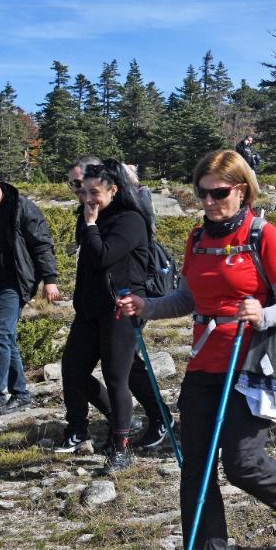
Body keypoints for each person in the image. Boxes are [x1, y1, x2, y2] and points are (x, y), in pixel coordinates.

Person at [117, 149, 276, 550]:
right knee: (194, 466)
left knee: (242, 464)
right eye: (202, 193)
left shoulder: (262, 235)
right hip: (204, 364)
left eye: (218, 192)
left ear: (241, 190)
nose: (210, 202)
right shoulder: (198, 238)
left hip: (253, 363)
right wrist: (147, 306)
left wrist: (261, 313)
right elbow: (187, 299)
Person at [67, 156, 173, 447]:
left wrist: (91, 225)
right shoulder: (88, 215)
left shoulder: (130, 219)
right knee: (74, 370)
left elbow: (103, 257)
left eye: (93, 193)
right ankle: (122, 418)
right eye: (82, 191)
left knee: (117, 376)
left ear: (112, 190)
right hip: (90, 307)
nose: (87, 198)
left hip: (123, 306)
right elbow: (87, 261)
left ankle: (121, 444)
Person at [0, 167, 62, 417]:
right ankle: (20, 395)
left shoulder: (21, 207)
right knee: (6, 338)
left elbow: (41, 244)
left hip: (15, 282)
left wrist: (49, 280)